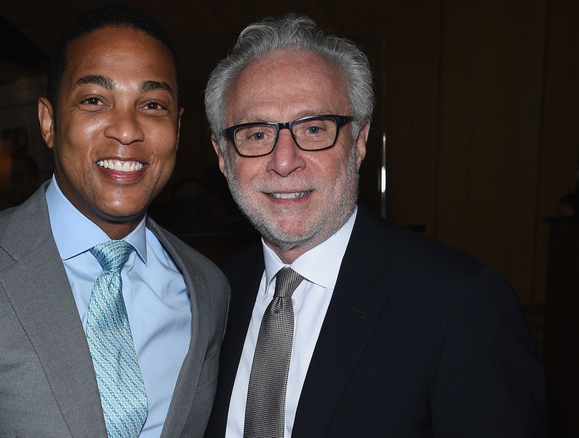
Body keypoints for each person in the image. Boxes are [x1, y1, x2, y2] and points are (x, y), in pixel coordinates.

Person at [0, 4, 229, 437]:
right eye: (94, 100)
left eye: (152, 104)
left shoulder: (207, 289)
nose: (126, 130)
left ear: (178, 130)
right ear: (49, 121)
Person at [203, 14, 547, 438]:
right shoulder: (211, 296)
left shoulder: (461, 305)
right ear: (222, 154)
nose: (284, 160)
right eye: (256, 134)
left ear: (360, 140)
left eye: (314, 128)